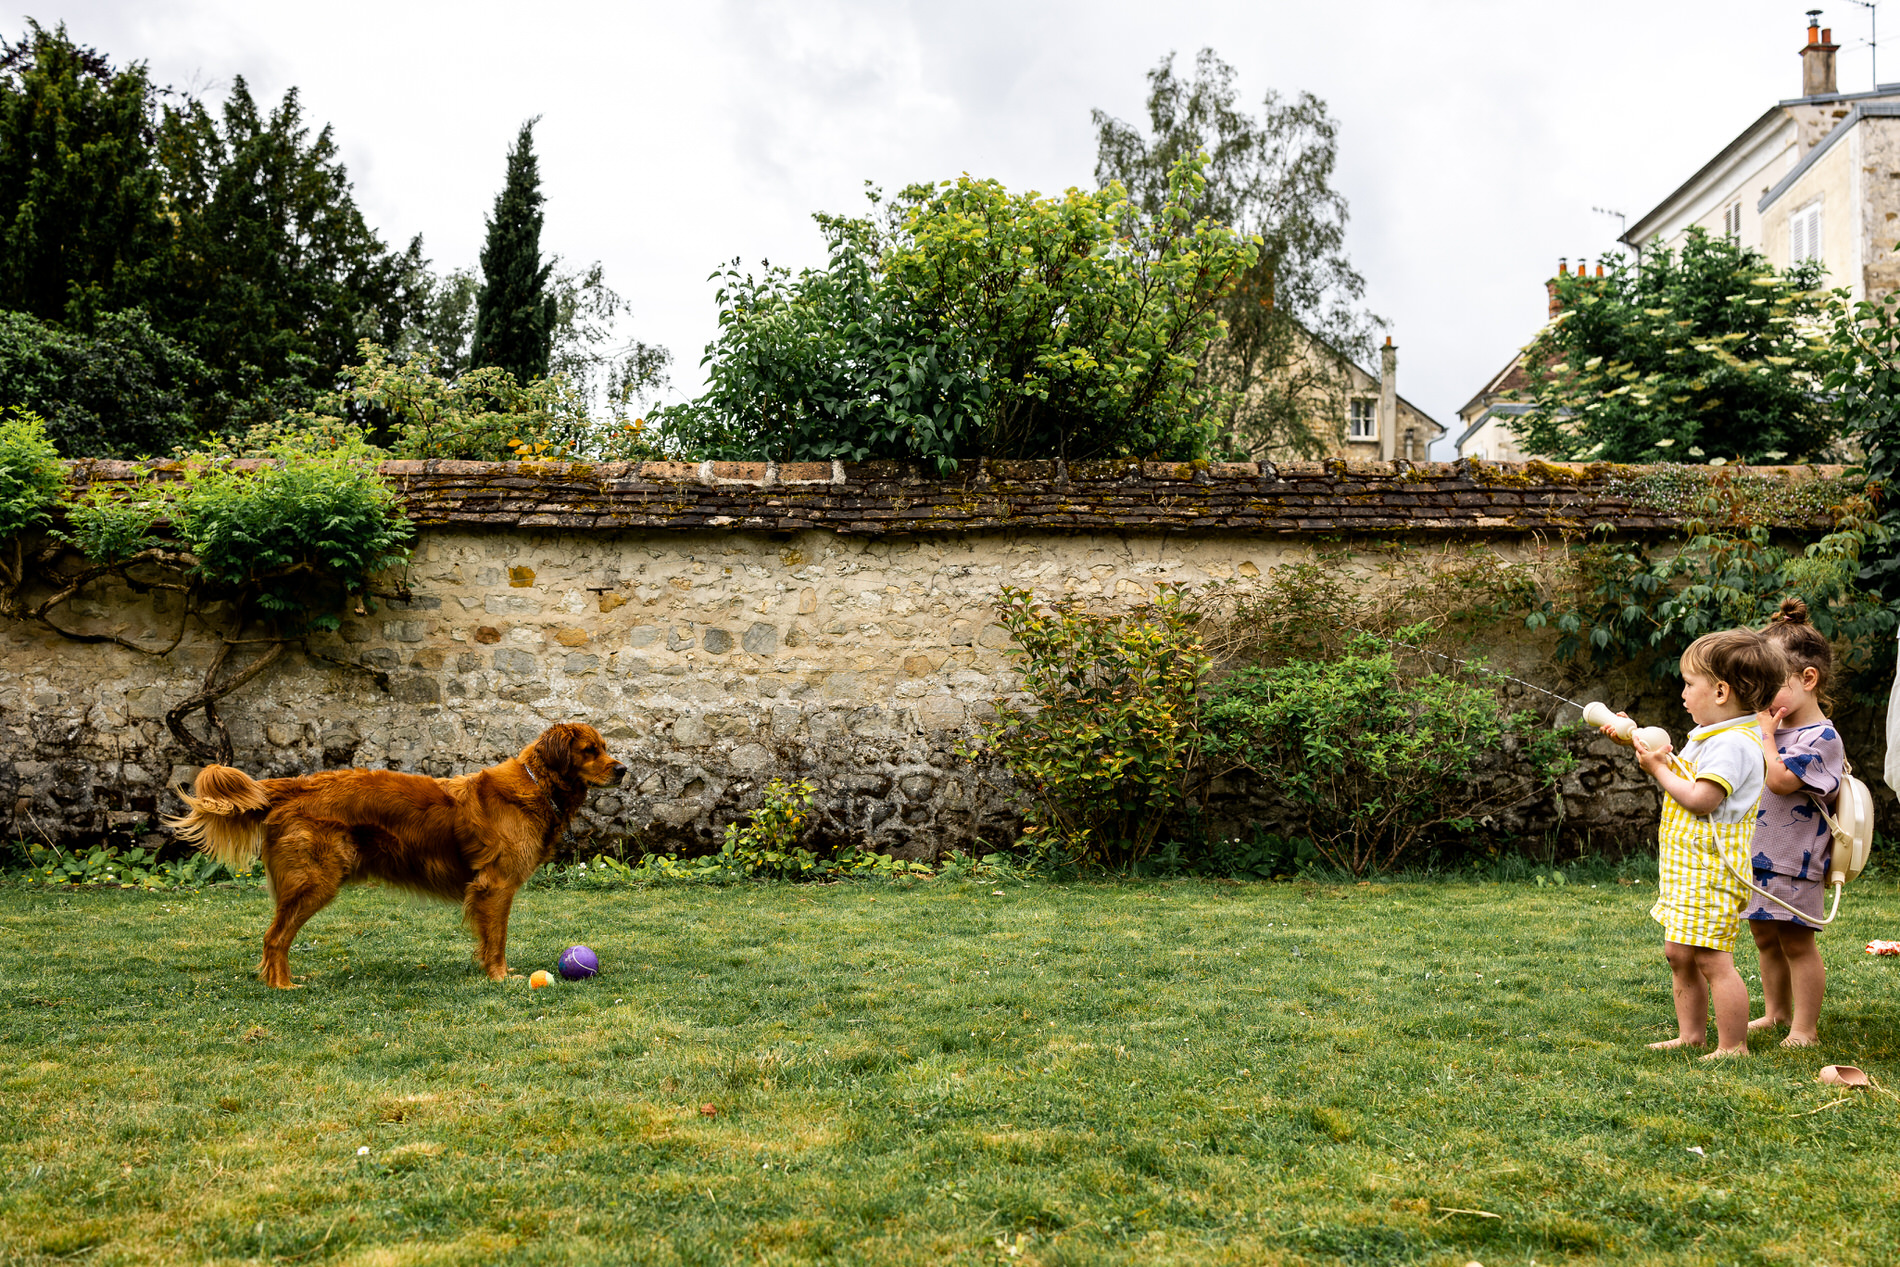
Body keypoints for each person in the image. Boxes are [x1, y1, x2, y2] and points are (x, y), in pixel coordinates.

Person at [1604, 628, 1787, 1058]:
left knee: (1711, 959)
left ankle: (1733, 1045)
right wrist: (1644, 744)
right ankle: (1691, 1035)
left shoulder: (1732, 745)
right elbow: (1689, 773)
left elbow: (1702, 798)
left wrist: (1657, 769)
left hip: (1711, 871)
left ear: (1721, 691)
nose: (1683, 693)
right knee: (1679, 953)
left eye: (1689, 684)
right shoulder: (1712, 735)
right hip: (1689, 869)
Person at [1747, 598, 1845, 1048]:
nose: (1759, 696)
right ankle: (1775, 1013)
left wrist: (1766, 738)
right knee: (1766, 936)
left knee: (1797, 944)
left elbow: (1782, 781)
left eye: (1769, 684)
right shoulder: (1777, 729)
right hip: (1759, 855)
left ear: (1808, 679)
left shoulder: (1822, 737)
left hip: (1796, 860)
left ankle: (1804, 1029)